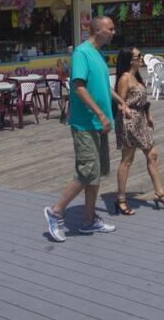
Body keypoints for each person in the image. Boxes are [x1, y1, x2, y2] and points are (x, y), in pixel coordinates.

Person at [44, 16, 117, 242]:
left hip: (99, 124)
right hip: (85, 123)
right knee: (87, 171)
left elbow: (103, 86)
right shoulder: (82, 53)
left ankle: (88, 220)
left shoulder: (99, 54)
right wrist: (100, 113)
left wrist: (119, 102)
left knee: (95, 174)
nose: (114, 32)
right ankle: (55, 212)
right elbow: (78, 87)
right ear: (97, 30)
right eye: (110, 28)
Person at [112, 47, 164, 215]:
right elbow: (120, 102)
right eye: (138, 56)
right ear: (130, 60)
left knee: (152, 154)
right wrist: (124, 109)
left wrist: (148, 115)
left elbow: (142, 100)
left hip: (141, 119)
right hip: (129, 122)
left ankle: (160, 193)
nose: (141, 58)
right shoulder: (125, 78)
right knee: (127, 159)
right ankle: (120, 199)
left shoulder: (136, 77)